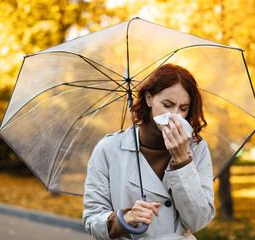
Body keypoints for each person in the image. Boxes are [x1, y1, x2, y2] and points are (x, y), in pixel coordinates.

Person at [83, 63, 215, 239]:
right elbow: (92, 219)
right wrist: (123, 219)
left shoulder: (196, 148)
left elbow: (199, 221)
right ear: (149, 98)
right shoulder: (109, 148)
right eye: (167, 105)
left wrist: (182, 160)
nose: (175, 115)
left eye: (183, 108)